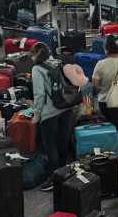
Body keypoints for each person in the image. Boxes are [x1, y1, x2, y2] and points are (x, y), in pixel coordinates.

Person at [31, 42, 81, 188]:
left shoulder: (37, 69)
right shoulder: (58, 62)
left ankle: (54, 178)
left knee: (50, 146)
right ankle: (65, 173)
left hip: (50, 112)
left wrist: (36, 114)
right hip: (66, 107)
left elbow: (39, 94)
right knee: (63, 142)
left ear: (34, 55)